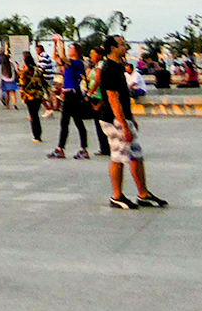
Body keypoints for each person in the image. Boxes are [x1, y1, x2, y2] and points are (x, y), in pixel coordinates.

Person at [96, 36, 168, 210]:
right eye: (122, 44)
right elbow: (113, 99)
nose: (126, 47)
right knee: (118, 156)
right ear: (112, 48)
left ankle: (143, 194)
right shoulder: (109, 69)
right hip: (113, 120)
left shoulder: (118, 67)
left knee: (136, 155)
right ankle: (116, 196)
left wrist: (131, 119)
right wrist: (123, 124)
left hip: (123, 118)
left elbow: (123, 97)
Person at [48, 50, 90, 159]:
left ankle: (83, 149)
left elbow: (62, 56)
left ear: (76, 51)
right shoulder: (69, 64)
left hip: (73, 95)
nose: (69, 49)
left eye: (71, 48)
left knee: (78, 122)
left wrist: (59, 41)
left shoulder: (78, 63)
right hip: (68, 95)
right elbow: (56, 57)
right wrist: (55, 44)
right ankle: (60, 149)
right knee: (64, 122)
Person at [18, 52, 48, 143]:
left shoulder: (24, 72)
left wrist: (22, 95)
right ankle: (38, 134)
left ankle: (37, 136)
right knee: (35, 115)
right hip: (38, 95)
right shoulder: (37, 70)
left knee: (33, 116)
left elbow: (22, 86)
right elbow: (43, 83)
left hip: (29, 96)